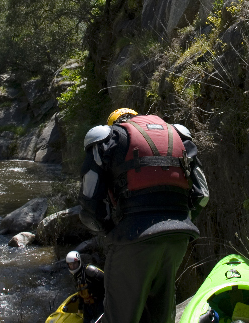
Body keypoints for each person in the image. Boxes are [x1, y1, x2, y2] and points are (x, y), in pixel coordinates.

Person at [78, 107, 210, 323]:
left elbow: (89, 207)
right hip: (178, 238)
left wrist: (112, 232)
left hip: (133, 238)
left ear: (114, 124)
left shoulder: (107, 138)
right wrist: (181, 221)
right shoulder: (177, 135)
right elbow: (202, 196)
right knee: (161, 316)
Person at [66, 250, 105, 323]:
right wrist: (80, 308)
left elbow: (106, 281)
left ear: (79, 262)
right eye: (70, 264)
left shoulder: (90, 271)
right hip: (88, 306)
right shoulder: (76, 276)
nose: (73, 266)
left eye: (75, 263)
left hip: (99, 303)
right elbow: (81, 293)